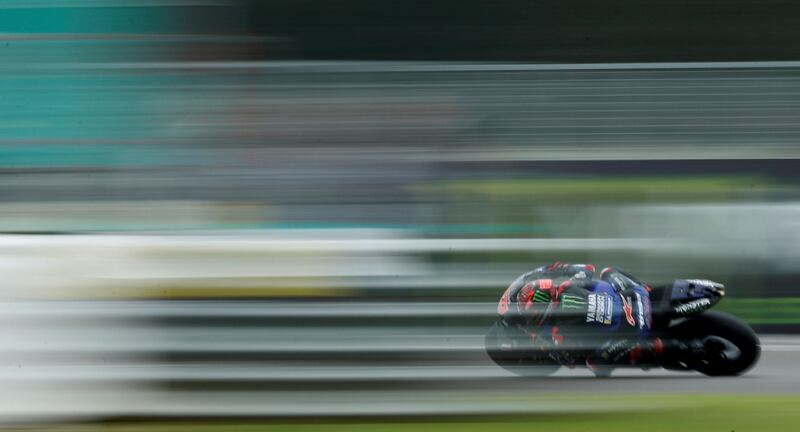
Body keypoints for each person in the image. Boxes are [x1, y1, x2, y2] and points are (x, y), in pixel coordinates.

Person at [496, 262, 725, 371]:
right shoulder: (568, 285)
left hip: (631, 327)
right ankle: (650, 296)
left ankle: (677, 349)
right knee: (608, 272)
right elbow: (587, 267)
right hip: (632, 298)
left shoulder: (556, 331)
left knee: (596, 364)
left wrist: (551, 348)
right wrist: (567, 272)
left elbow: (569, 359)